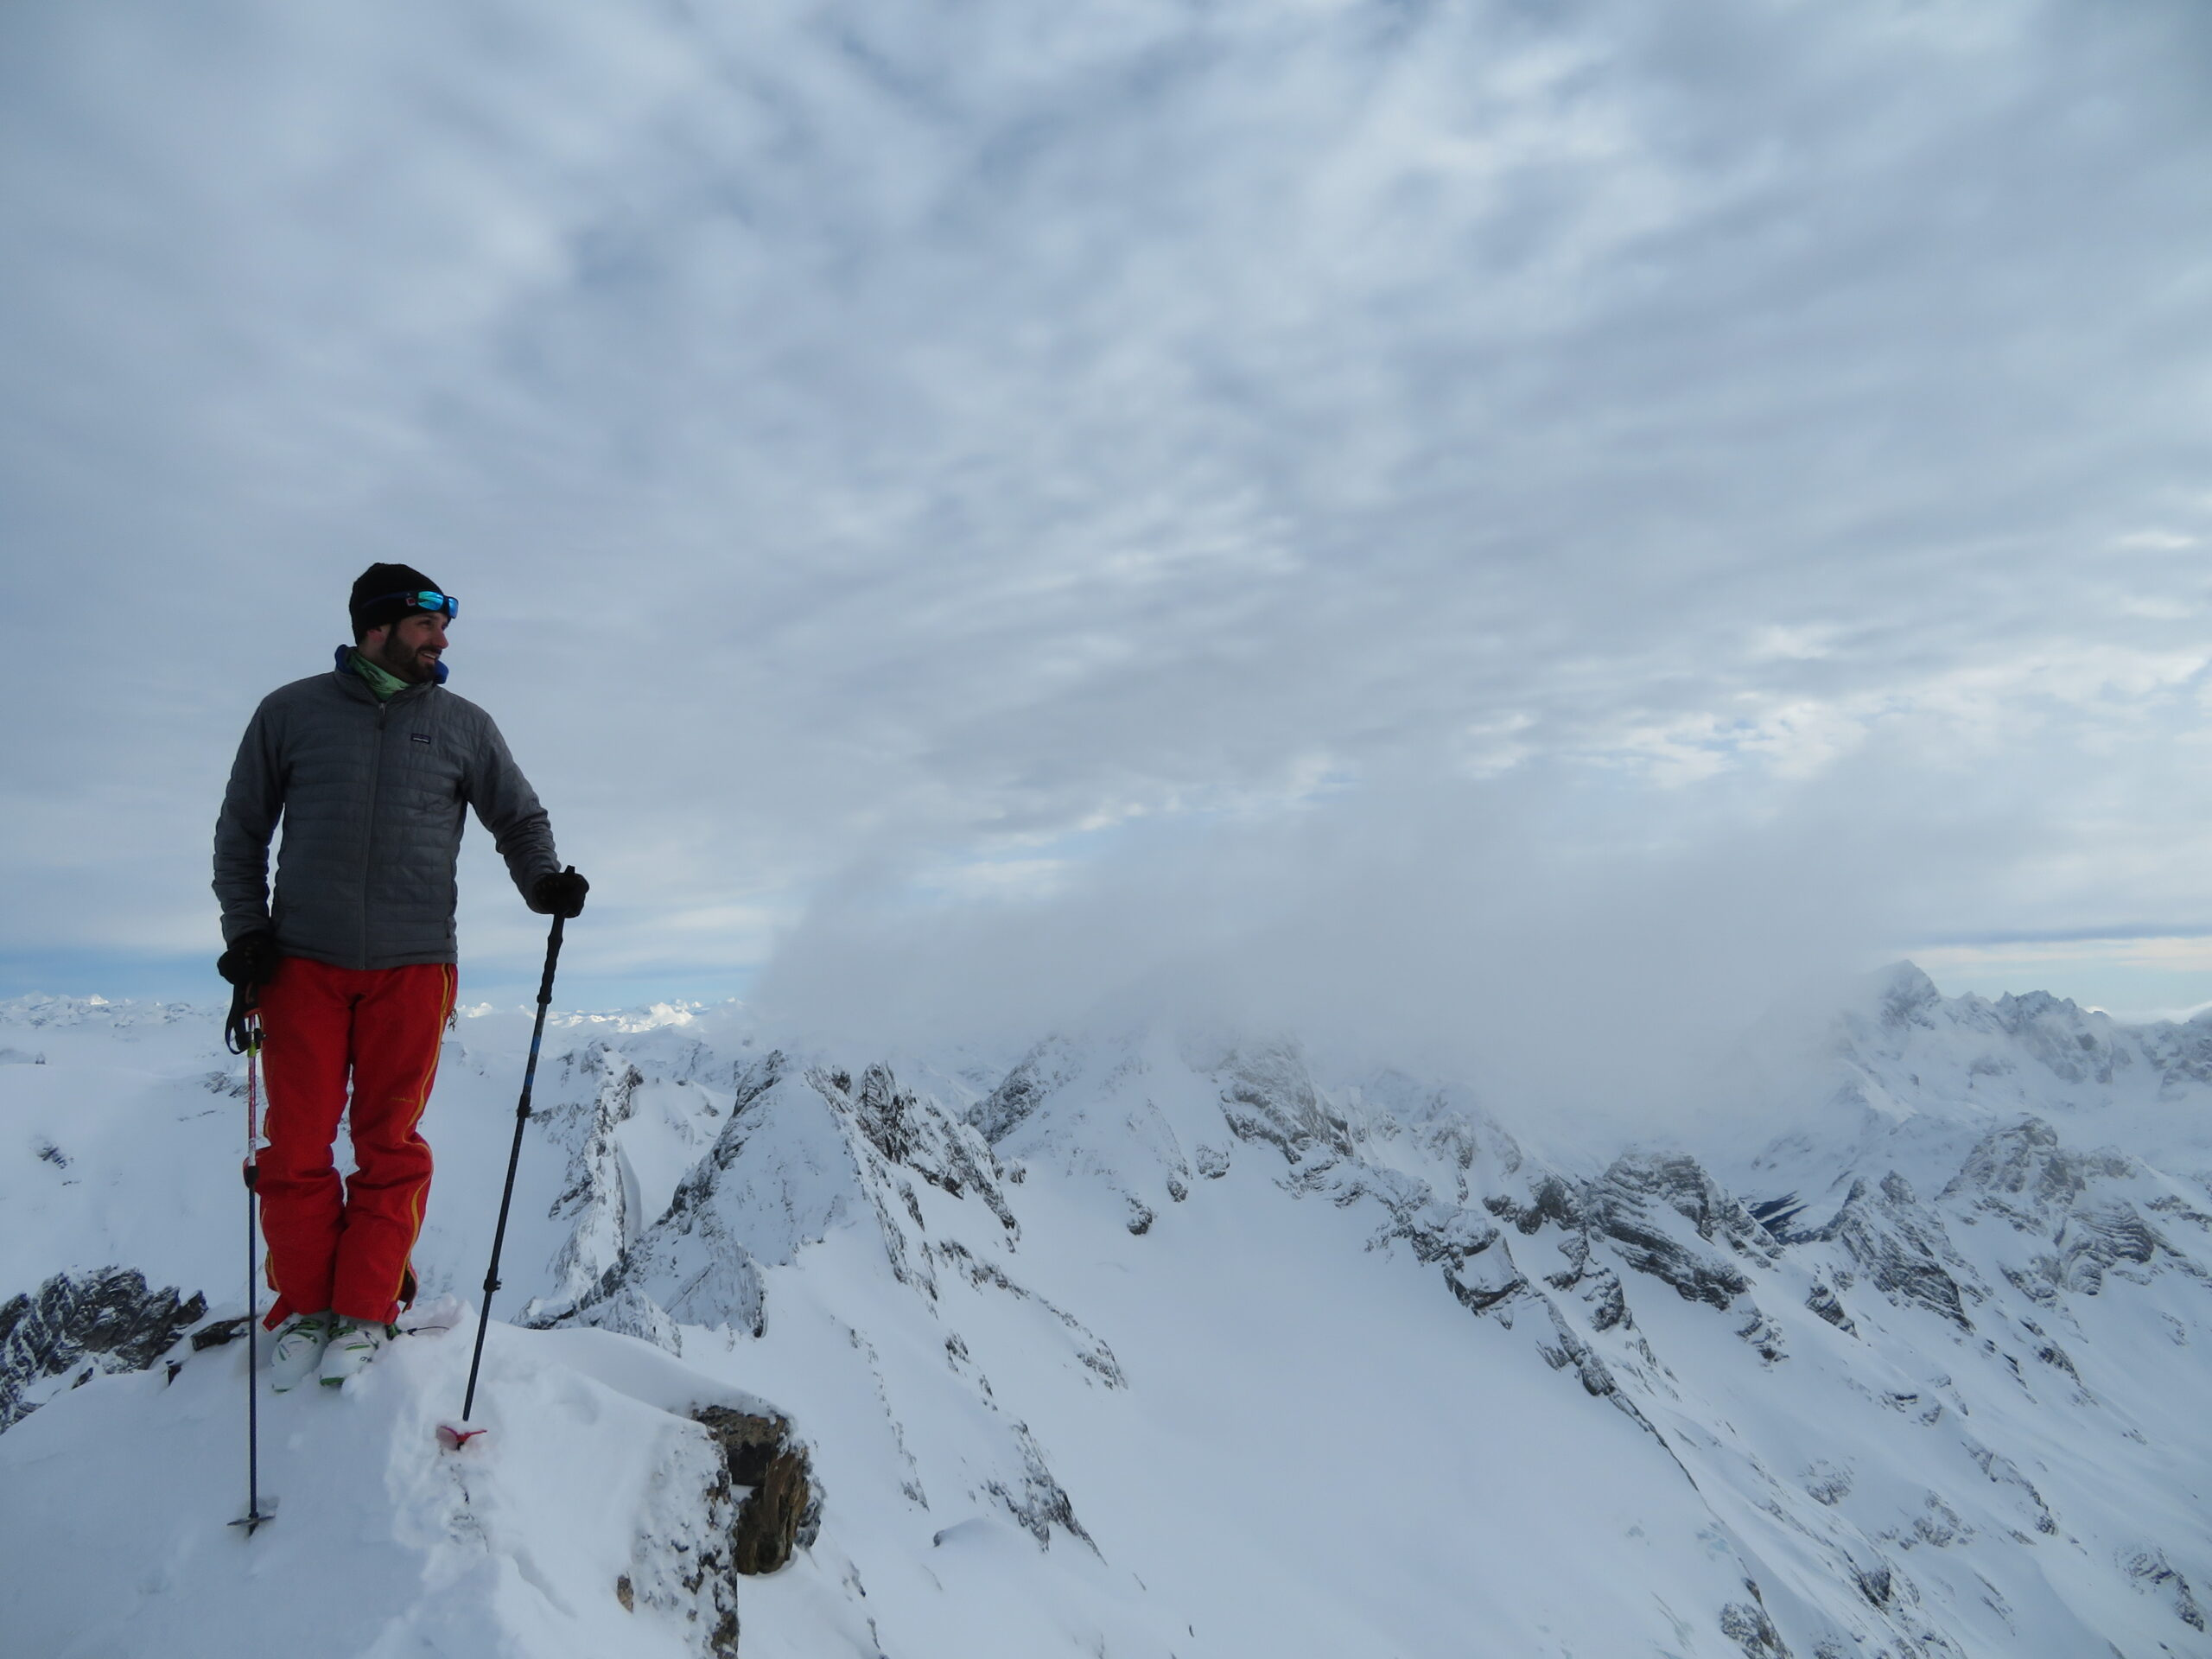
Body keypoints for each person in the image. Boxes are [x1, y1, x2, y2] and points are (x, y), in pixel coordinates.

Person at [213, 564, 588, 1390]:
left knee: (389, 1144)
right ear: (377, 628)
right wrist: (246, 932)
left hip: (415, 965)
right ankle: (305, 1307)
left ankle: (366, 1308)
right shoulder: (290, 713)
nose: (442, 641)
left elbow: (518, 817)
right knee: (296, 1145)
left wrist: (542, 882)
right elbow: (241, 832)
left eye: (443, 627)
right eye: (428, 625)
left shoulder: (464, 726)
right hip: (299, 962)